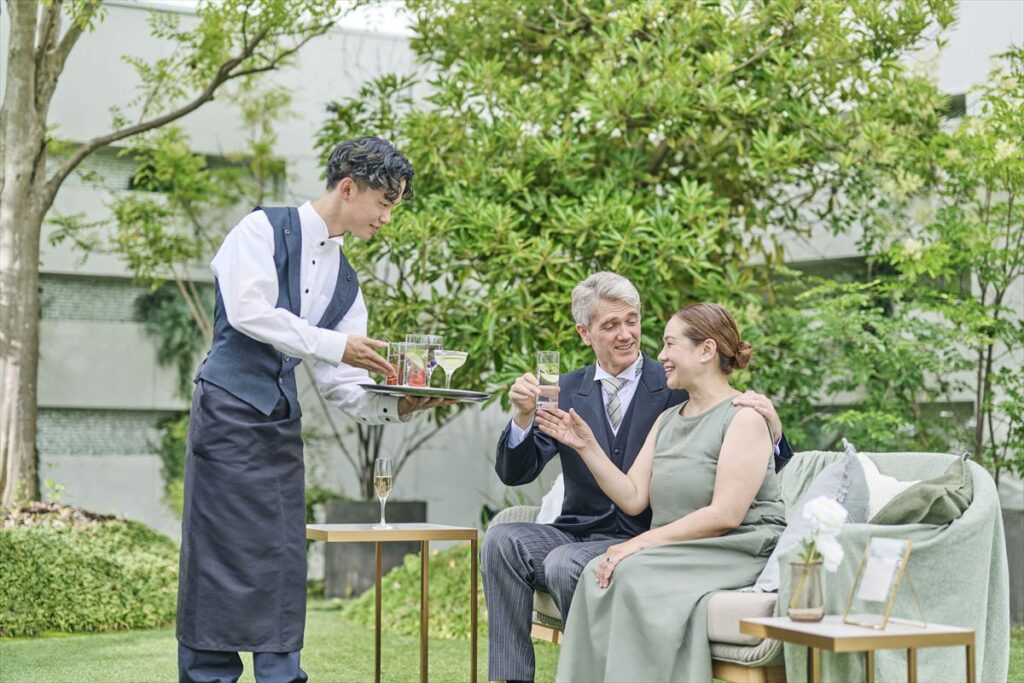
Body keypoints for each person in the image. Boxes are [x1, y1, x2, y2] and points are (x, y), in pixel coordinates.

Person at [176, 136, 447, 683]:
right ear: (348, 188)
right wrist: (335, 345)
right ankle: (208, 676)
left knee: (281, 560)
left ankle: (281, 676)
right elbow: (249, 311)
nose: (387, 218)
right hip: (226, 413)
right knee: (216, 557)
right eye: (385, 203)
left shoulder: (346, 283)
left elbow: (342, 383)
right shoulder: (259, 229)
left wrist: (398, 406)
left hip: (279, 426)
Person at [482, 273, 792, 683]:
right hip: (578, 530)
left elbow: (753, 459)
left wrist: (774, 428)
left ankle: (602, 674)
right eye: (611, 325)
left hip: (647, 533)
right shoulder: (563, 390)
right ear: (584, 333)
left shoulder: (678, 385)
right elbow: (515, 472)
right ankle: (512, 679)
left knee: (565, 564)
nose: (627, 334)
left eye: (632, 321)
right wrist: (523, 417)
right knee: (502, 540)